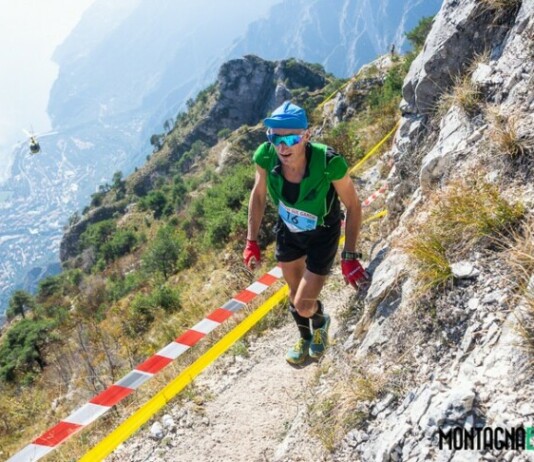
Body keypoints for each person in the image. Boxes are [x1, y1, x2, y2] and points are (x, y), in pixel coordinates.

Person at [243, 101, 368, 364]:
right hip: (289, 231)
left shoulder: (329, 162)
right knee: (294, 293)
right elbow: (258, 195)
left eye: (291, 138)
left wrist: (349, 255)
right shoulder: (265, 156)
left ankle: (321, 322)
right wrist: (251, 241)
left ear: (306, 135)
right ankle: (305, 336)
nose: (282, 147)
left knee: (303, 304)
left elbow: (354, 205)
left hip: (322, 233)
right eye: (275, 138)